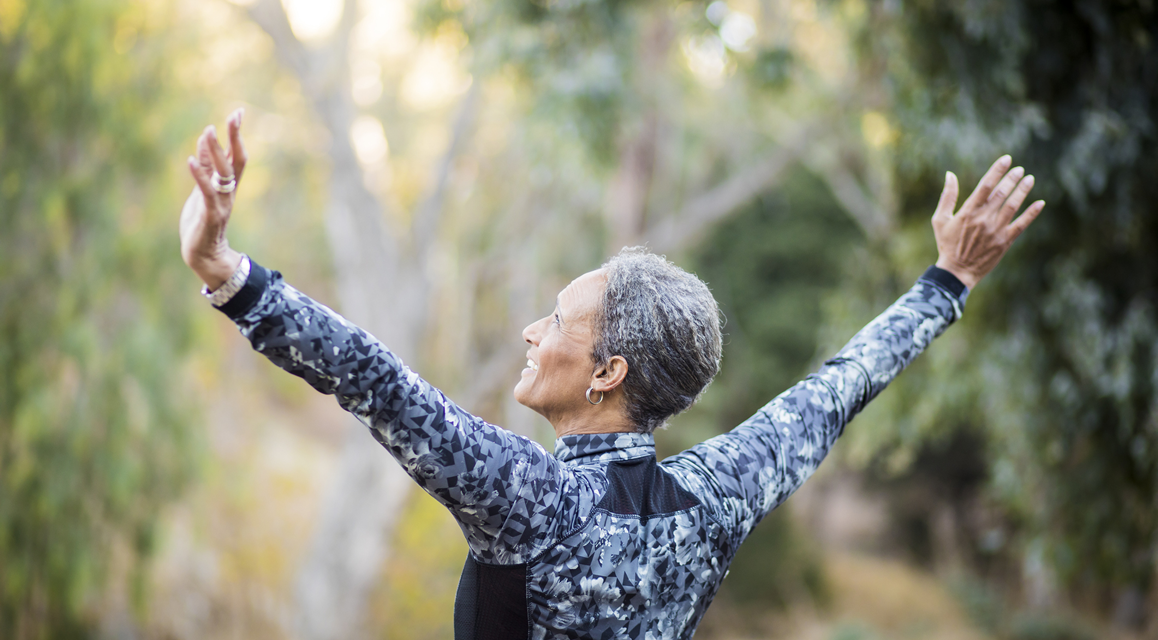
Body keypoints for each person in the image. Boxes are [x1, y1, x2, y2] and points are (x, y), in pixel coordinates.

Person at [180, 109, 1043, 640]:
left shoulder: (528, 501)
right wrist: (947, 282)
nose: (530, 330)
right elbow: (839, 390)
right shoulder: (719, 496)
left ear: (608, 372)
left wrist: (228, 271)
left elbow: (377, 380)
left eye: (555, 320)